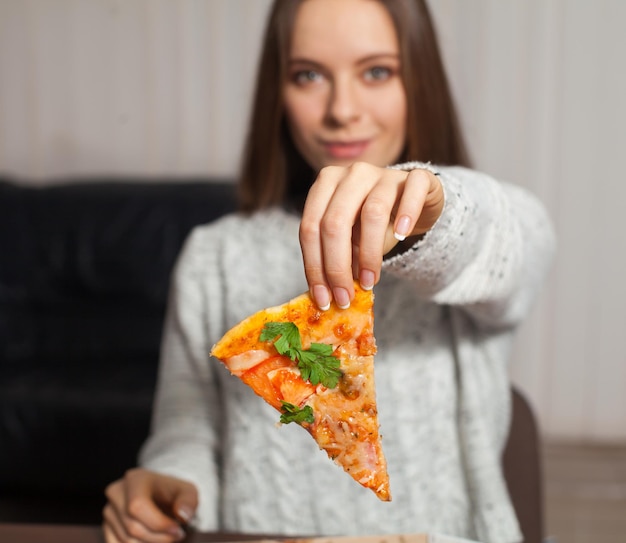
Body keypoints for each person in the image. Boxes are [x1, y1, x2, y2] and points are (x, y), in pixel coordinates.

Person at [103, 1, 555, 542]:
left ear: (421, 81)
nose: (342, 108)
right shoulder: (213, 256)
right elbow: (189, 428)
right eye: (309, 75)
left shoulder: (463, 227)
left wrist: (432, 203)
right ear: (279, 92)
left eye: (377, 71)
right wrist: (168, 485)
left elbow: (515, 237)